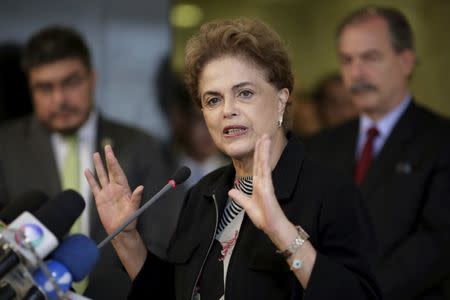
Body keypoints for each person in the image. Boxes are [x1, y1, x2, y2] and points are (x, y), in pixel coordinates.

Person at [86, 18, 381, 299]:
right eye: (213, 100)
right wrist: (126, 238)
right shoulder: (203, 194)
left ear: (281, 100)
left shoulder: (330, 191)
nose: (228, 110)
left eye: (245, 93)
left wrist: (282, 232)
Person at [0, 25, 183, 299]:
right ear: (30, 88)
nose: (59, 99)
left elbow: (164, 240)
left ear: (92, 78)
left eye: (70, 82)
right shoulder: (5, 146)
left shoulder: (142, 146)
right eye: (44, 88)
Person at [306, 6, 450, 300]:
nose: (356, 73)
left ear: (406, 61)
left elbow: (437, 243)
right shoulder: (317, 146)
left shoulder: (441, 141)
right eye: (347, 60)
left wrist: (353, 294)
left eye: (370, 57)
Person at [156, 57, 228, 188]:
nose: (210, 128)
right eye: (201, 119)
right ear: (179, 116)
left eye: (219, 118)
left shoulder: (239, 175)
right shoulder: (155, 174)